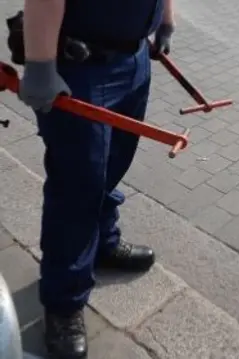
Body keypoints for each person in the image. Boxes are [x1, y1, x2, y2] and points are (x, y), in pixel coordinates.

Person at [13, 0, 175, 357]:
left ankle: (102, 244)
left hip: (132, 60)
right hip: (83, 69)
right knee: (76, 187)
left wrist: (164, 19)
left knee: (111, 167)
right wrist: (40, 64)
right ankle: (64, 302)